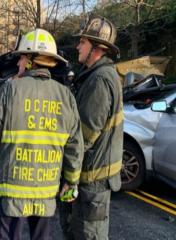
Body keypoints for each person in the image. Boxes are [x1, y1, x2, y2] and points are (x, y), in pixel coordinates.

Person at [0, 29, 84, 240]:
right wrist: (71, 181)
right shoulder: (66, 96)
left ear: (29, 61)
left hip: (11, 189)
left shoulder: (10, 90)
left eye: (20, 58)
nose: (18, 63)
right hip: (46, 189)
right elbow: (75, 145)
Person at [62, 16, 124, 240]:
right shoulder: (96, 75)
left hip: (92, 181)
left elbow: (84, 137)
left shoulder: (99, 80)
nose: (78, 46)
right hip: (91, 179)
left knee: (88, 235)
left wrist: (69, 176)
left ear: (97, 48)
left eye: (83, 42)